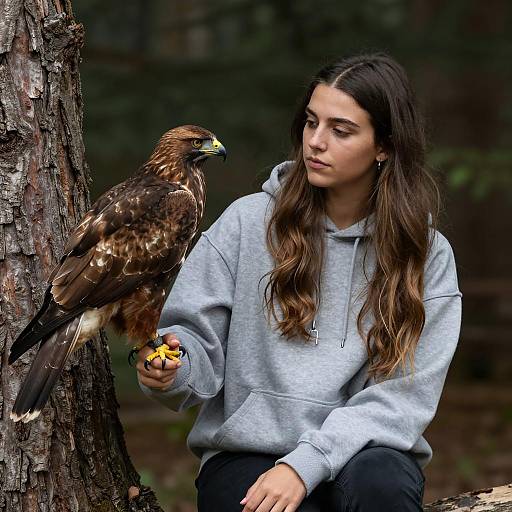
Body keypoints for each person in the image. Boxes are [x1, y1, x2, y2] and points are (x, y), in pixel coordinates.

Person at [136, 51, 463, 512]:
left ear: (385, 145)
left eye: (341, 130)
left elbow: (403, 398)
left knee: (382, 486)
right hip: (248, 451)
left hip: (368, 452)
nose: (316, 142)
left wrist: (305, 464)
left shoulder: (426, 254)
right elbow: (192, 341)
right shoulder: (248, 224)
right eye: (311, 123)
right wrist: (171, 369)